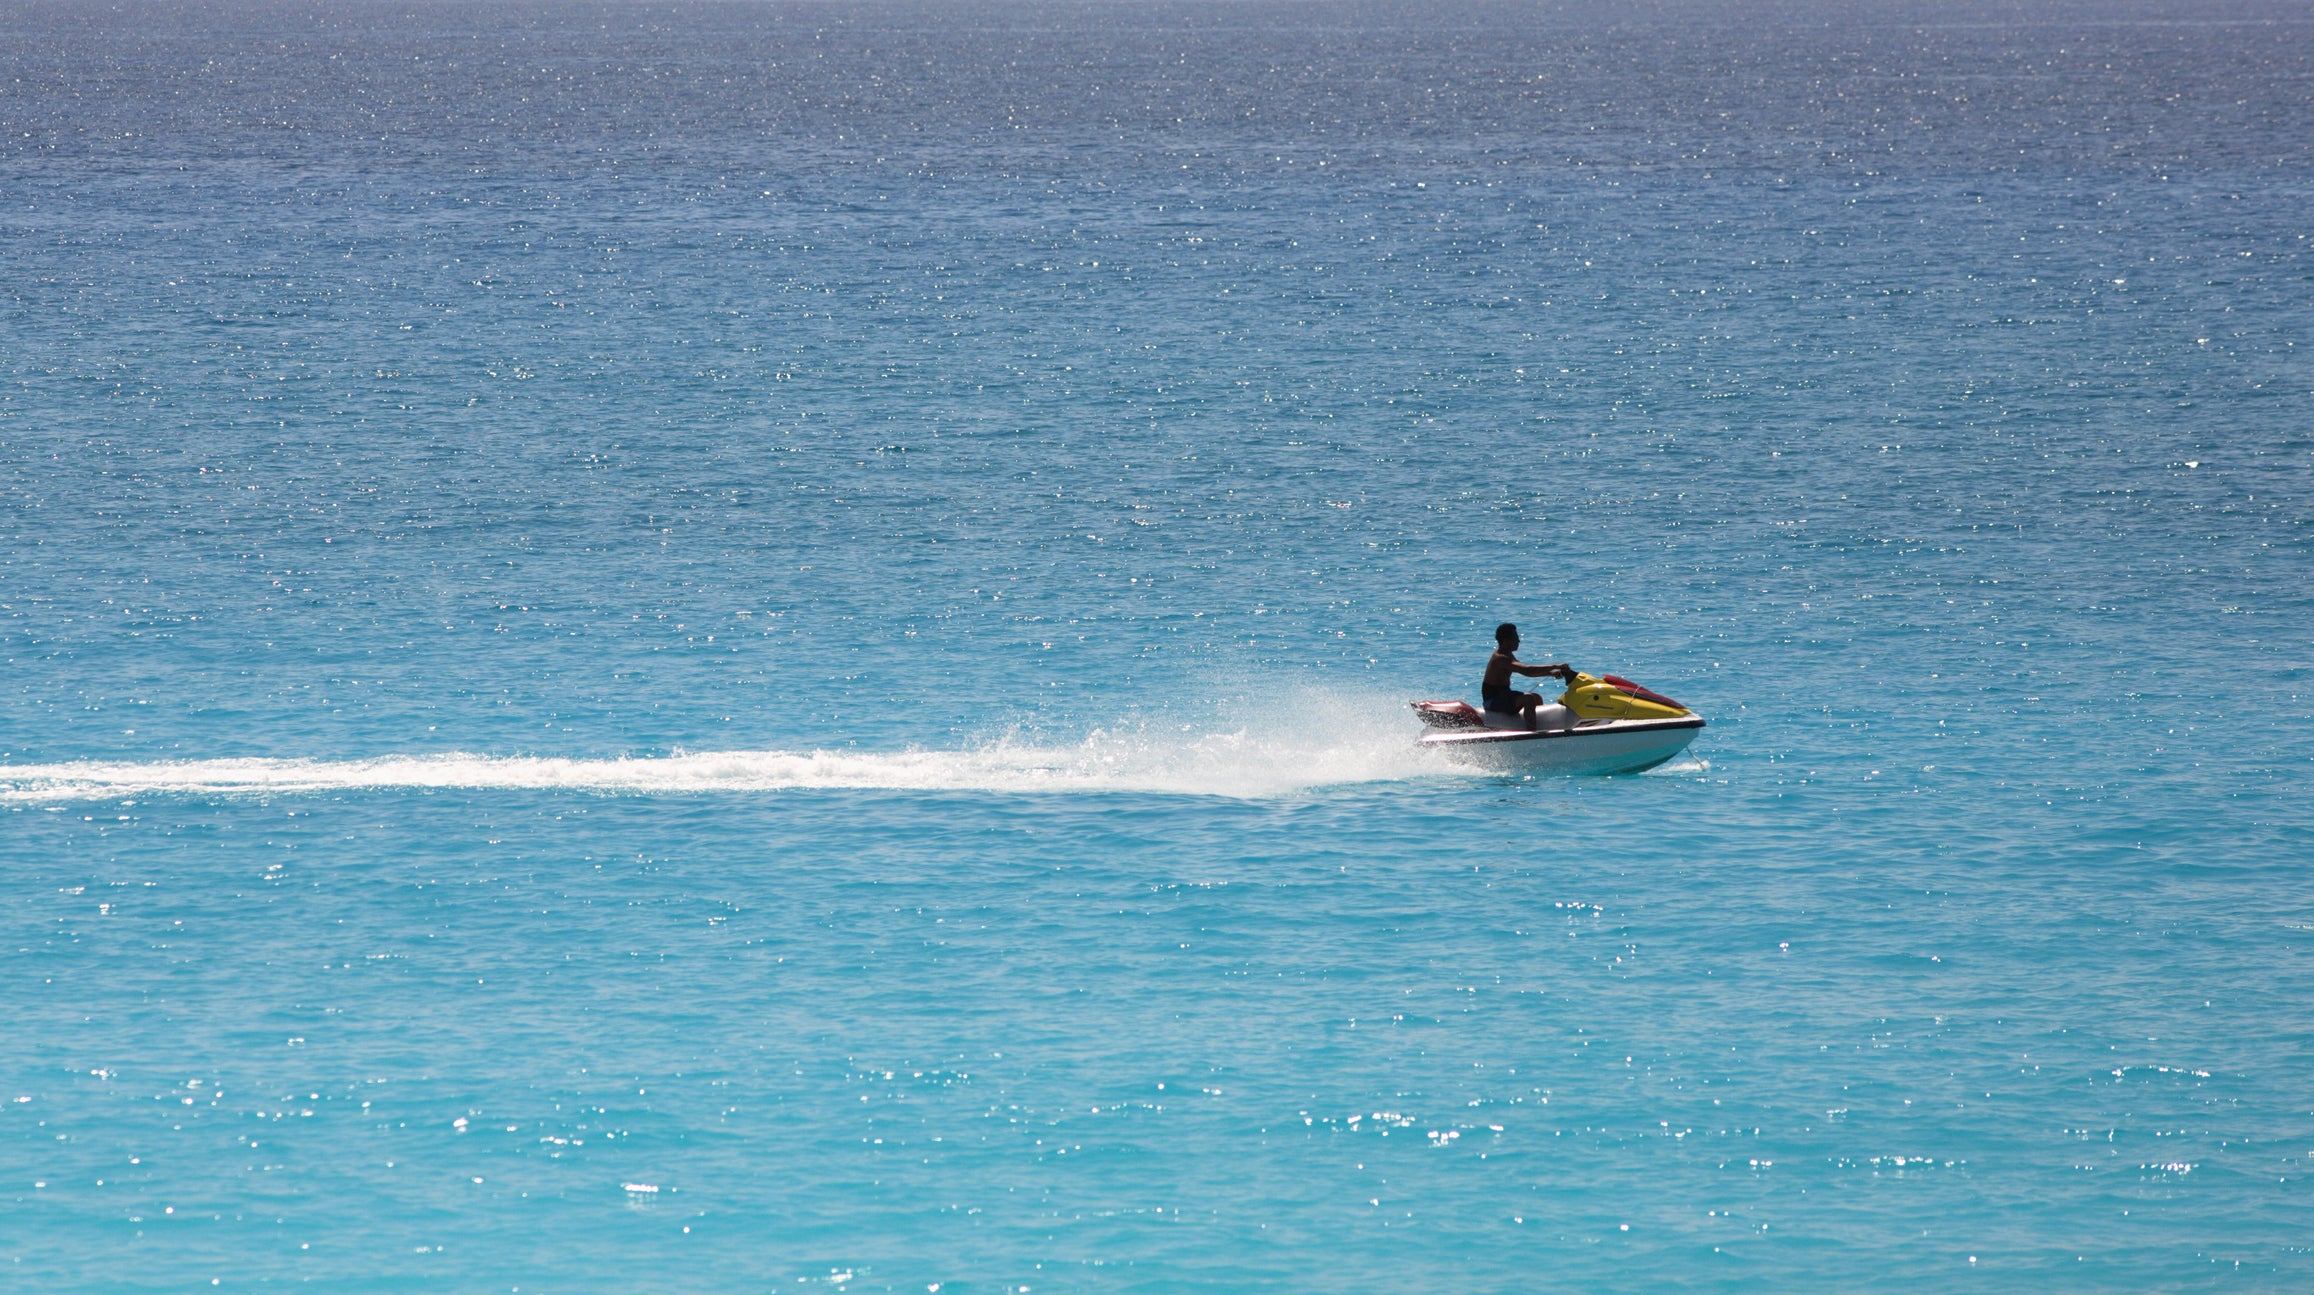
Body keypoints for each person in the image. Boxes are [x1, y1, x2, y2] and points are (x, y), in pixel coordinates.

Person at [1482, 623, 1573, 726]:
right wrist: (1555, 666)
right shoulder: (1500, 658)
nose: (1519, 641)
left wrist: (1551, 674)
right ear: (1506, 640)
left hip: (1504, 695)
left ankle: (1541, 727)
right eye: (1515, 638)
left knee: (1536, 698)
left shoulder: (1507, 654)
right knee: (1529, 699)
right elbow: (1526, 670)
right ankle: (1532, 733)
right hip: (1493, 700)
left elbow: (1527, 672)